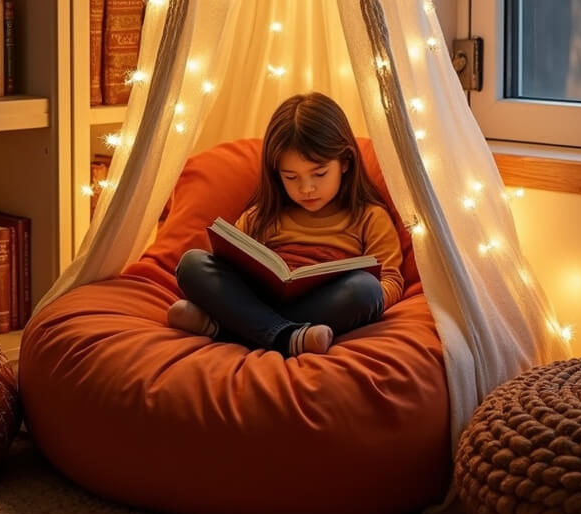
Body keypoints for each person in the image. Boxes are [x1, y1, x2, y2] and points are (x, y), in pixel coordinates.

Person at [167, 92, 405, 357]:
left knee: (366, 290)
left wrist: (366, 297)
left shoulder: (369, 217)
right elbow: (226, 267)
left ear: (346, 163)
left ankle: (225, 329)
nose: (307, 188)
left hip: (321, 305)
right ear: (276, 173)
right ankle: (288, 337)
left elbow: (391, 281)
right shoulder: (261, 216)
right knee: (192, 263)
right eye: (291, 177)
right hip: (260, 299)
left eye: (319, 173)